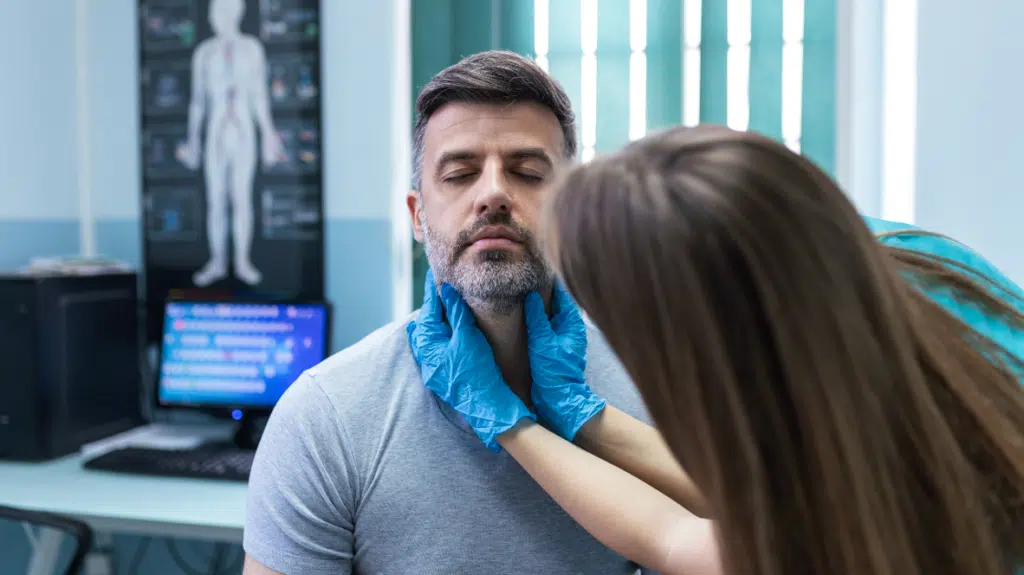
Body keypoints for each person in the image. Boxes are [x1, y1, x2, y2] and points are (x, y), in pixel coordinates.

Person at [410, 124, 1024, 575]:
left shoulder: (896, 522)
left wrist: (511, 424)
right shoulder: (919, 266)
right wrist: (579, 414)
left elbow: (684, 542)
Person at [241, 50, 694, 575]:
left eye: (528, 172)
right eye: (459, 173)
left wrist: (575, 415)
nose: (494, 193)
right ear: (416, 215)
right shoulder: (326, 418)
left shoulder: (656, 388)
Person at [177, 0, 282, 287]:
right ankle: (218, 261)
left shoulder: (252, 49)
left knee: (241, 198)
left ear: (234, 13)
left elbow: (260, 96)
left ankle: (243, 261)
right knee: (216, 199)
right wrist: (192, 140)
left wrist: (269, 135)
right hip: (216, 128)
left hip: (243, 128)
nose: (216, 17)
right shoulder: (204, 53)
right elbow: (198, 102)